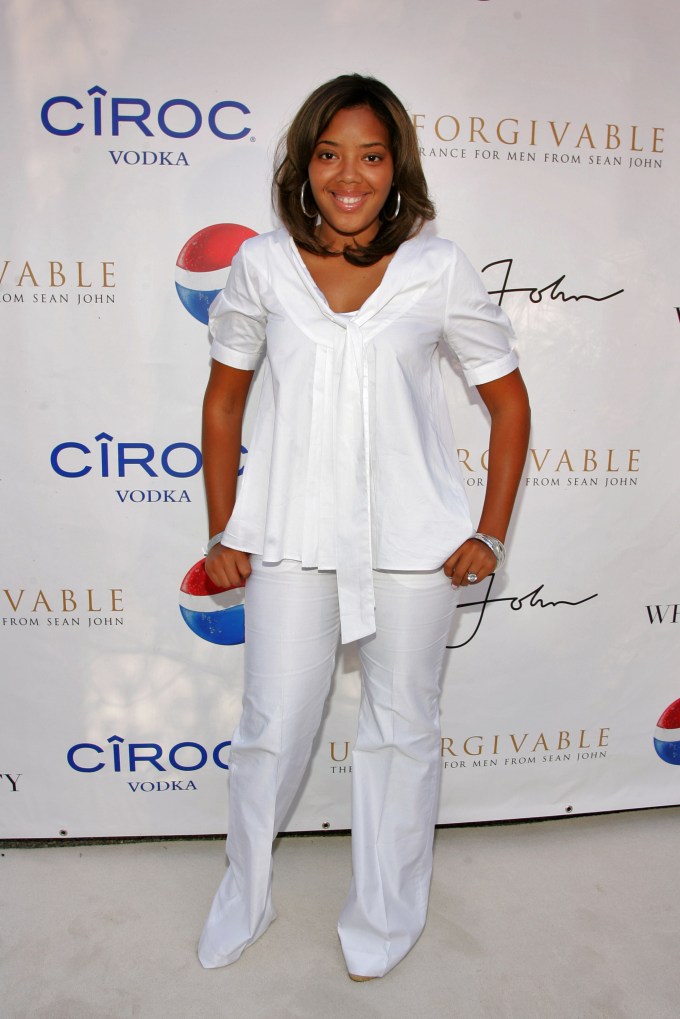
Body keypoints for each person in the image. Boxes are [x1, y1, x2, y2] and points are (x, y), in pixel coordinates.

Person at [197, 74, 530, 980]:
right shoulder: (262, 265)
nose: (350, 175)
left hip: (415, 545)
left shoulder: (438, 269)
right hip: (291, 537)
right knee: (272, 727)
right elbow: (223, 400)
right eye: (330, 154)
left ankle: (386, 916)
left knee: (402, 730)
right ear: (304, 165)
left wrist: (490, 533)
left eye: (372, 156)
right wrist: (225, 530)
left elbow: (509, 402)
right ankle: (244, 896)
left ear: (397, 167)